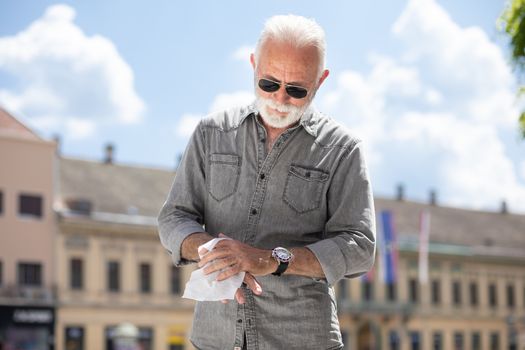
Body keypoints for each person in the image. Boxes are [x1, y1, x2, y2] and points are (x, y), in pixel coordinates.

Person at [158, 14, 376, 350]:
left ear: (321, 81)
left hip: (302, 340)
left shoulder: (343, 149)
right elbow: (173, 217)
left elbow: (360, 246)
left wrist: (271, 259)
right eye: (269, 83)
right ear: (253, 65)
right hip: (214, 339)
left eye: (297, 89)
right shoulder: (211, 133)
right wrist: (218, 253)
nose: (280, 99)